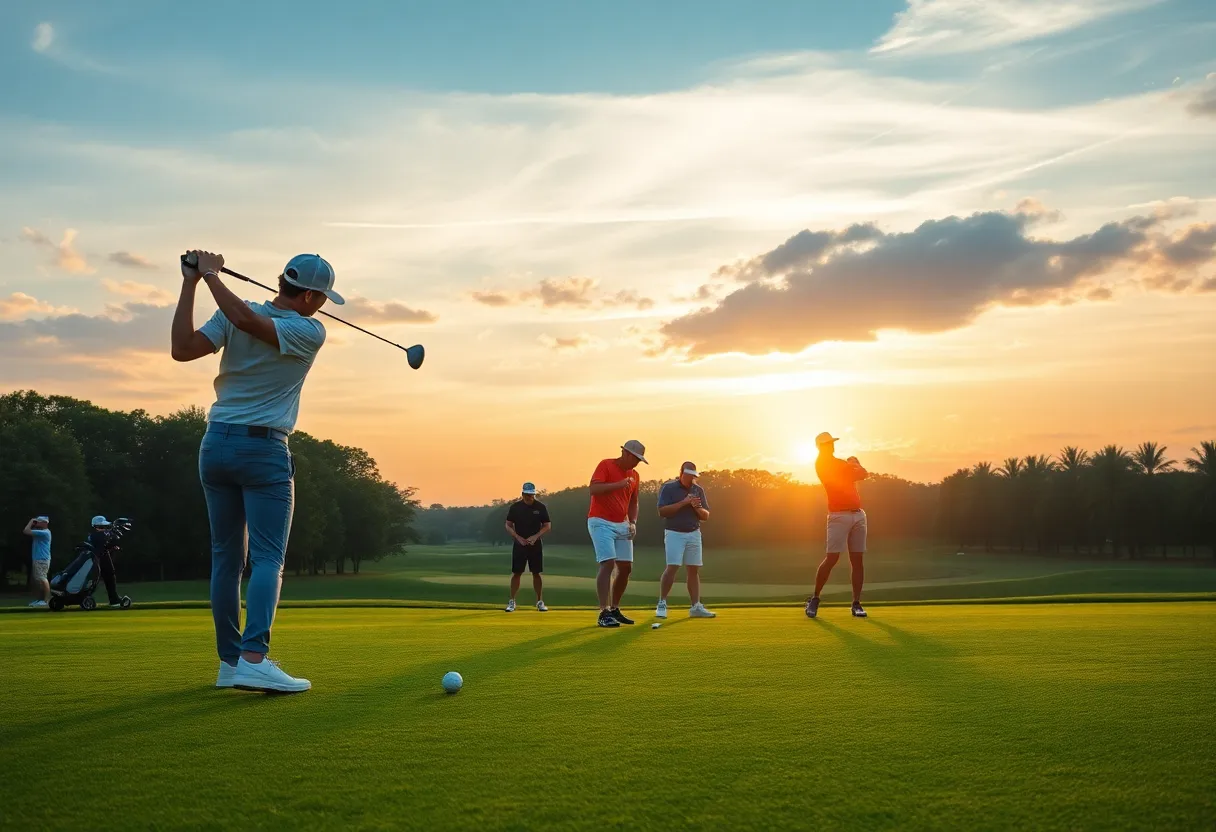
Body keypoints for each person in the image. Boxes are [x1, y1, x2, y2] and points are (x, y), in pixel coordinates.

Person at [171, 249, 343, 693]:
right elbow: (183, 350)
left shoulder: (253, 316)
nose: (322, 305)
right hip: (263, 449)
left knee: (226, 560)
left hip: (216, 444)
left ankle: (230, 665)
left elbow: (231, 329)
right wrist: (199, 280)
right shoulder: (309, 329)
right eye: (322, 297)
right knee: (268, 558)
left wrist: (201, 278)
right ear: (308, 296)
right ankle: (251, 658)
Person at [806, 432, 869, 619]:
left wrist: (854, 465)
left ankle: (856, 604)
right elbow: (855, 471)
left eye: (831, 443)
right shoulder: (823, 464)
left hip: (858, 515)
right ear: (819, 447)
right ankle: (815, 598)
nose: (831, 446)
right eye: (827, 444)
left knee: (857, 561)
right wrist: (853, 464)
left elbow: (864, 474)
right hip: (838, 516)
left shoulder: (841, 463)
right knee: (832, 558)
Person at [588, 440, 646, 628]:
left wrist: (633, 522)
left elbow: (634, 502)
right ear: (625, 453)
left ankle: (614, 609)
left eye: (639, 460)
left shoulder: (635, 476)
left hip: (623, 523)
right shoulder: (605, 465)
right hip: (600, 521)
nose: (637, 463)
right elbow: (594, 489)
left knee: (626, 567)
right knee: (608, 563)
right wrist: (619, 484)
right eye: (636, 459)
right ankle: (603, 612)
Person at [656, 462, 716, 619]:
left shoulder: (698, 490)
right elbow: (662, 511)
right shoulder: (669, 488)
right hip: (674, 532)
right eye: (688, 475)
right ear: (681, 473)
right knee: (673, 567)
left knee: (693, 569)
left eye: (693, 476)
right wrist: (684, 502)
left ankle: (695, 606)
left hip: (694, 532)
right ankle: (662, 602)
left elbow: (706, 515)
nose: (691, 479)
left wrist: (696, 507)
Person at [504, 482, 552, 612]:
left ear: (534, 494)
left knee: (537, 573)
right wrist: (518, 537)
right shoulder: (515, 507)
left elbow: (547, 525)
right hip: (519, 544)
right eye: (526, 495)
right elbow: (508, 525)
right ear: (522, 494)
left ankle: (539, 602)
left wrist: (536, 536)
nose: (529, 497)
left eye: (531, 495)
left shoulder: (540, 507)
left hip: (535, 544)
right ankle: (512, 601)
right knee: (516, 573)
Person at [87, 516, 124, 608]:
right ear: (97, 526)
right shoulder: (99, 535)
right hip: (100, 560)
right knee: (108, 578)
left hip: (98, 559)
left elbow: (105, 545)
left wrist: (111, 548)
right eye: (102, 526)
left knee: (106, 579)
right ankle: (114, 599)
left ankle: (113, 598)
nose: (104, 528)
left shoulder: (93, 535)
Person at [22, 516, 52, 608]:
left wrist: (31, 521)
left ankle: (46, 601)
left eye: (39, 522)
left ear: (45, 523)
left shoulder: (44, 533)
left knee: (42, 579)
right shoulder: (40, 532)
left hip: (42, 559)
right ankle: (40, 600)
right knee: (38, 580)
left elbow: (26, 531)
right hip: (38, 559)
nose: (36, 523)